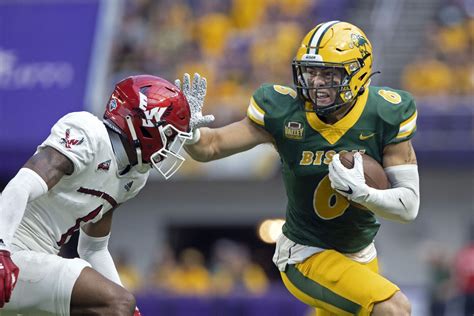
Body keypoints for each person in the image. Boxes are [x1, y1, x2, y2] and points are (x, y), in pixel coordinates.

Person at [182, 20, 420, 315]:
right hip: (306, 254)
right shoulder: (284, 111)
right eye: (311, 70)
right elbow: (212, 146)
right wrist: (189, 133)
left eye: (328, 72)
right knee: (394, 309)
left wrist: (362, 193)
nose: (317, 81)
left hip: (361, 254)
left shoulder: (385, 113)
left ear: (358, 72)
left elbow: (408, 206)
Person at [0, 74, 213, 315]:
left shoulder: (133, 178)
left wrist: (131, 307)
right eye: (170, 135)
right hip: (11, 249)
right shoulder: (89, 133)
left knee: (119, 304)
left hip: (32, 260)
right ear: (145, 125)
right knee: (115, 303)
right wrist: (1, 248)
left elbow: (94, 249)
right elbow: (23, 183)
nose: (170, 148)